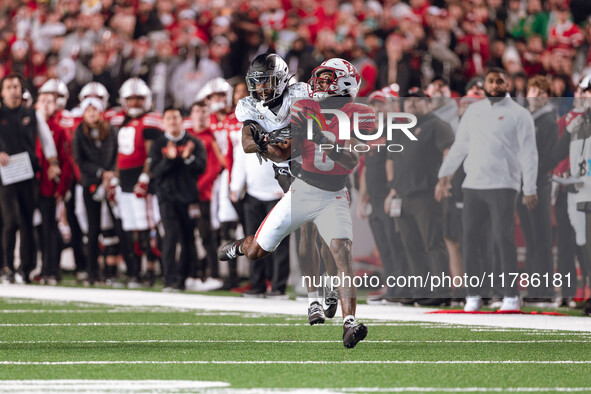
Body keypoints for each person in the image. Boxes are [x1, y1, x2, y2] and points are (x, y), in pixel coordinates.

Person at [220, 58, 371, 348]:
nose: (319, 85)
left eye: (327, 80)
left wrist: (320, 140)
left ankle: (341, 314)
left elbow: (350, 156)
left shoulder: (339, 109)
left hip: (330, 185)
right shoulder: (290, 106)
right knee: (269, 247)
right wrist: (269, 142)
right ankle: (244, 247)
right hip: (295, 177)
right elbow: (260, 146)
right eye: (320, 79)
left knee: (337, 246)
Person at [231, 53, 338, 324]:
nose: (260, 89)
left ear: (280, 80)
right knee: (307, 230)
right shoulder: (249, 107)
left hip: (316, 164)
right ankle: (316, 294)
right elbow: (247, 144)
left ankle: (327, 286)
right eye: (256, 83)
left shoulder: (302, 93)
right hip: (287, 172)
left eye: (266, 82)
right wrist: (272, 139)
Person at [436, 67, 539, 312]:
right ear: (485, 85)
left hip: (504, 185)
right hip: (473, 185)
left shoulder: (520, 114)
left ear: (508, 85)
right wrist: (444, 175)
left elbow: (529, 153)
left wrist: (530, 187)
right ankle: (473, 295)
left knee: (502, 240)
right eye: (490, 81)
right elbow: (460, 146)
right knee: (469, 240)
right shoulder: (474, 111)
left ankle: (511, 296)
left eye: (499, 81)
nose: (494, 85)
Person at [384, 87, 455, 305]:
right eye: (409, 100)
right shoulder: (401, 127)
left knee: (432, 243)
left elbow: (449, 152)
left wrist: (444, 182)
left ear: (429, 103)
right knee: (410, 244)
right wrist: (392, 190)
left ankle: (441, 293)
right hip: (403, 194)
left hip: (427, 193)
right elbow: (391, 159)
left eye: (418, 99)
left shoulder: (437, 125)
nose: (412, 103)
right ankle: (420, 291)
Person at [0, 74, 59, 284]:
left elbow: (46, 139)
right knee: (10, 221)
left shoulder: (32, 114)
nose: (14, 90)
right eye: (9, 87)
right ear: (2, 92)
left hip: (27, 173)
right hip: (5, 177)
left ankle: (25, 268)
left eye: (16, 86)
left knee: (27, 222)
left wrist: (52, 163)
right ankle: (6, 266)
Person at [111, 77, 162, 287]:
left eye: (138, 99)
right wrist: (114, 178)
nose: (134, 104)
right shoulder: (119, 121)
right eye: (130, 99)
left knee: (145, 229)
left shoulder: (150, 120)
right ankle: (135, 272)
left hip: (141, 182)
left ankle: (150, 272)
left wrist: (145, 177)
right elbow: (118, 154)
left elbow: (151, 154)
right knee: (130, 229)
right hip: (123, 181)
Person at [150, 106, 206, 291]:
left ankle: (183, 278)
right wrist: (170, 159)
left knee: (188, 238)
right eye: (168, 118)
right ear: (164, 122)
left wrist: (188, 158)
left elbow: (201, 168)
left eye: (175, 118)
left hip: (188, 197)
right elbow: (156, 172)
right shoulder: (158, 145)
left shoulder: (193, 142)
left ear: (182, 120)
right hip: (166, 197)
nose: (172, 122)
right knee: (171, 236)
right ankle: (169, 279)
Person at [518, 75, 558, 304]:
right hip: (524, 184)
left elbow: (548, 158)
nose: (538, 95)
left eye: (543, 92)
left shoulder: (548, 121)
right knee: (531, 239)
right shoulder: (524, 118)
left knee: (541, 238)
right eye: (535, 89)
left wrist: (530, 181)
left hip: (538, 185)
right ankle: (534, 290)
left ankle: (544, 290)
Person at [72, 98, 118, 284]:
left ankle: (119, 269)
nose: (92, 114)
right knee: (93, 228)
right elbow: (79, 160)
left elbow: (116, 152)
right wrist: (100, 173)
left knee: (118, 226)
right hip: (90, 182)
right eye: (88, 111)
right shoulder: (79, 133)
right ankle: (92, 271)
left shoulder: (111, 130)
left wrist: (110, 174)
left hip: (111, 182)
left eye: (95, 110)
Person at [35, 90, 73, 284]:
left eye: (51, 102)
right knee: (32, 228)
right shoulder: (28, 126)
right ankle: (36, 267)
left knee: (49, 227)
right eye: (43, 101)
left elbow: (66, 161)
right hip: (31, 185)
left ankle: (52, 268)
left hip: (49, 187)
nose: (47, 105)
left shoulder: (58, 129)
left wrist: (62, 188)